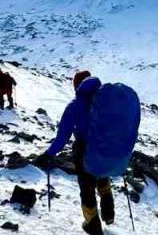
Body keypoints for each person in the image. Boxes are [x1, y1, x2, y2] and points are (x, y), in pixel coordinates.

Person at [40, 70, 115, 235]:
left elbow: (62, 137)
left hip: (84, 150)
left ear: (77, 86)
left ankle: (92, 225)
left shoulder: (74, 105)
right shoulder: (104, 101)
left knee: (87, 188)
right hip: (102, 147)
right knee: (103, 179)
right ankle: (109, 214)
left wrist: (49, 154)